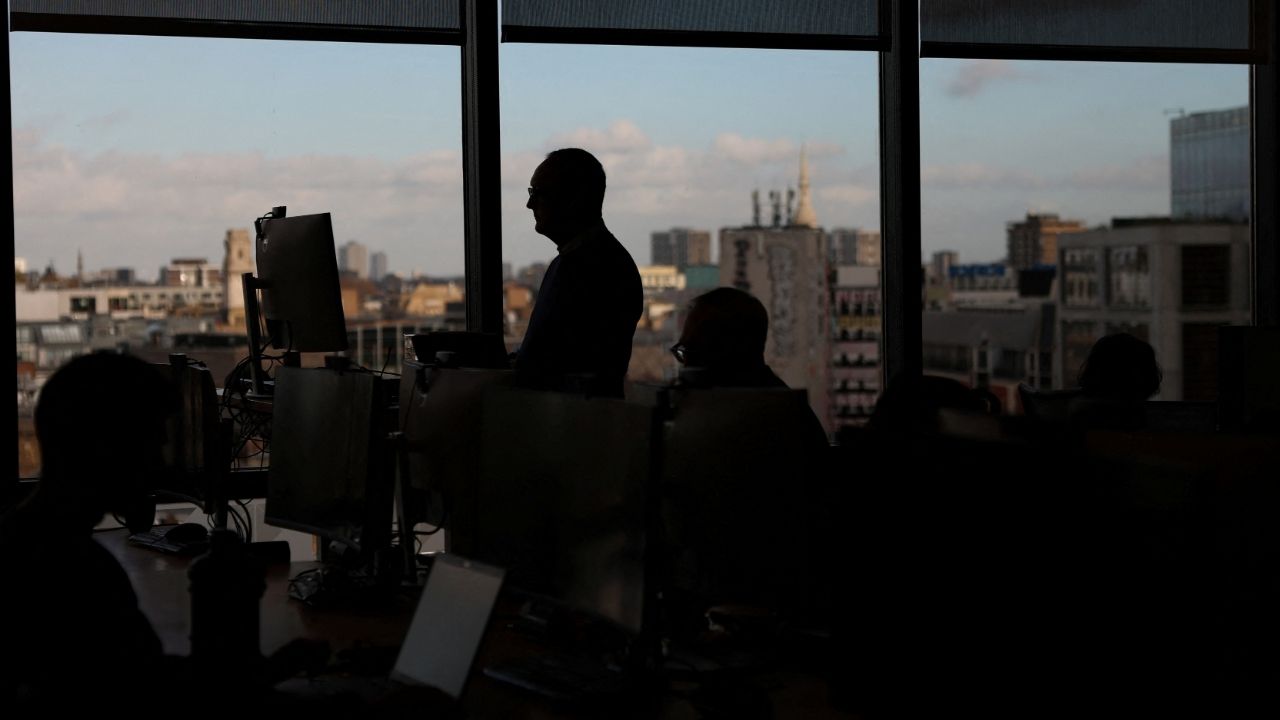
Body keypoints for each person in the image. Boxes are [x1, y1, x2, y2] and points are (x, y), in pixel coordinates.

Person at [1, 352, 176, 708]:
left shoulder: (25, 544)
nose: (158, 462)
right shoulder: (78, 572)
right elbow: (146, 685)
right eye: (151, 442)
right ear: (110, 449)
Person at [515, 148, 642, 397]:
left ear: (573, 199)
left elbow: (566, 362)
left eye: (539, 193)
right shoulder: (591, 261)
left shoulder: (599, 268)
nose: (530, 204)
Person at [671, 287, 827, 446]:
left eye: (694, 352)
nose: (686, 365)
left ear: (729, 352)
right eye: (684, 352)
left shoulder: (751, 425)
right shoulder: (786, 413)